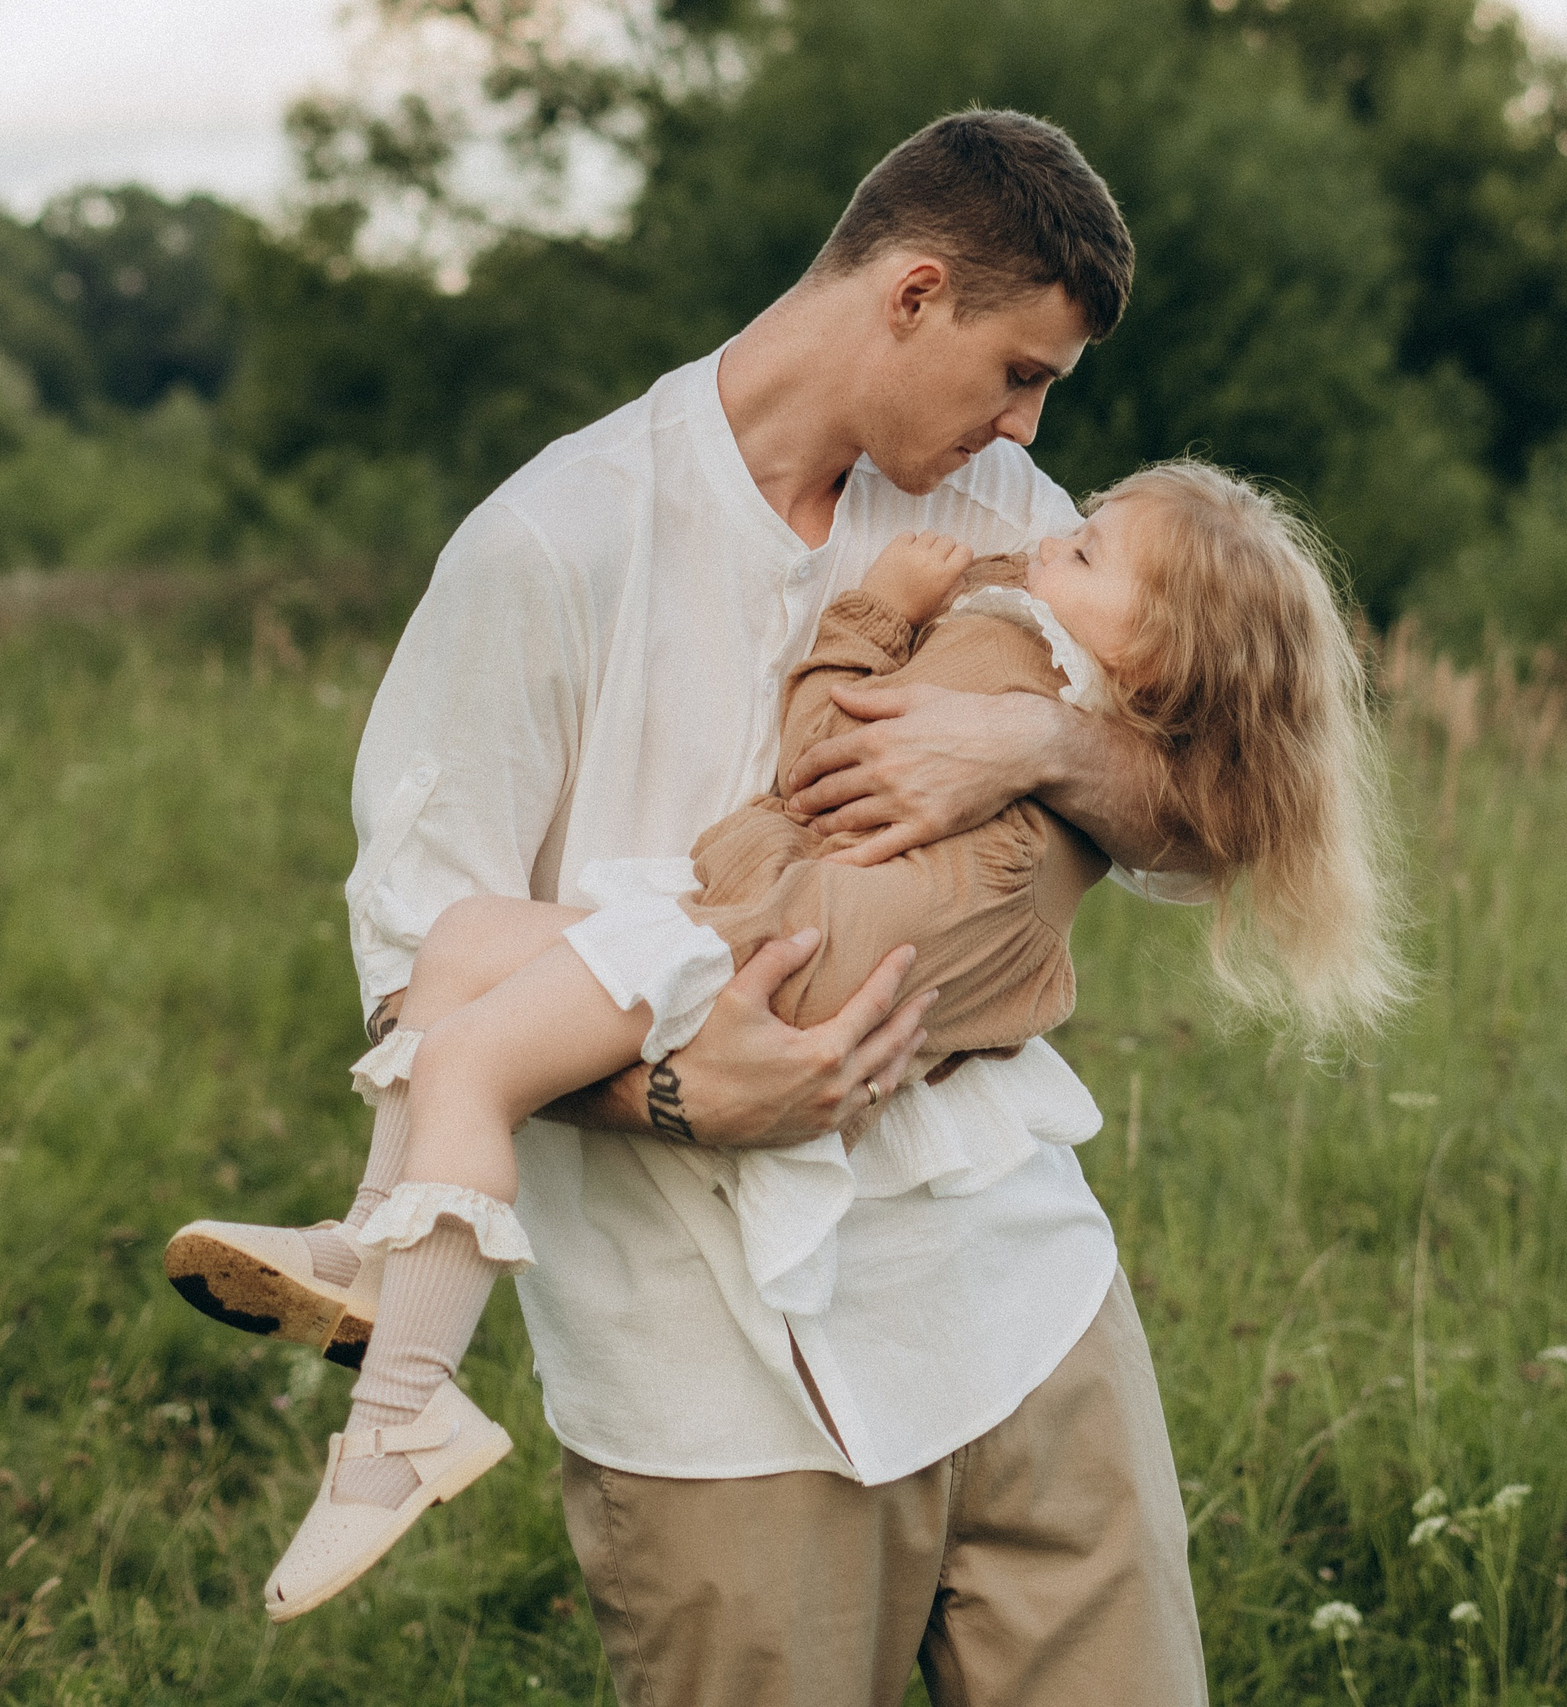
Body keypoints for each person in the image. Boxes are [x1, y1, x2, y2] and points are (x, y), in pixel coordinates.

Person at [166, 109, 1332, 1705]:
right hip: (715, 1382)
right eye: (1017, 372)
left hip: (1021, 1308)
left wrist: (1044, 739)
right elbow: (418, 963)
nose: (1024, 427)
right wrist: (673, 1086)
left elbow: (1210, 824)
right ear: (913, 293)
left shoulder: (1013, 522)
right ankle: (392, 1331)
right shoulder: (549, 544)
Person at [171, 458, 1401, 1619]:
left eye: (1081, 548)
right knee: (457, 952)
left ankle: (401, 1423)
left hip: (785, 946)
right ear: (911, 297)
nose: (1042, 535)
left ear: (1151, 653)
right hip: (778, 927)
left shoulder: (1007, 646)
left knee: (467, 1058)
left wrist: (874, 609)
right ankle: (380, 1250)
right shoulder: (1035, 642)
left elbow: (822, 755)